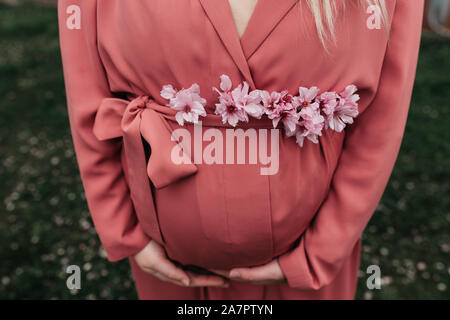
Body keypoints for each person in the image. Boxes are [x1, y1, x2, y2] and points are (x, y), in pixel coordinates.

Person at [58, 0, 424, 299]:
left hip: (305, 271)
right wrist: (124, 233)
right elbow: (89, 102)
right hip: (168, 271)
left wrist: (324, 250)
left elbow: (381, 119)